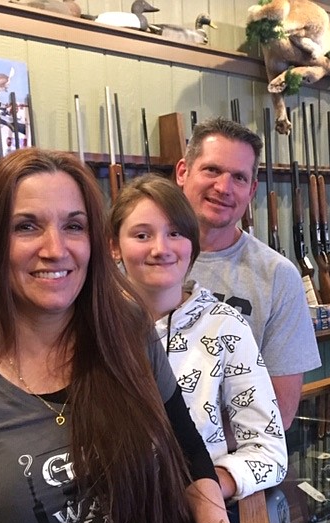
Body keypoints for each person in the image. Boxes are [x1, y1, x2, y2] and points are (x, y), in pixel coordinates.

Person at [0, 148, 237, 523]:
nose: (55, 249)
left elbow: (189, 452)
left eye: (74, 226)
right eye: (26, 226)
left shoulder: (129, 332)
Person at [109, 174, 288, 502]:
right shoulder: (93, 328)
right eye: (142, 234)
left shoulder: (225, 326)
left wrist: (207, 488)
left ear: (192, 244)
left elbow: (269, 451)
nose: (160, 249)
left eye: (175, 233)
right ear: (114, 246)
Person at [175, 117, 322, 430]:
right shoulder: (136, 263)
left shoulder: (278, 276)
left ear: (252, 189)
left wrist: (198, 462)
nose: (224, 188)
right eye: (212, 170)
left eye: (239, 177)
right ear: (182, 173)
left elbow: (278, 412)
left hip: (229, 467)